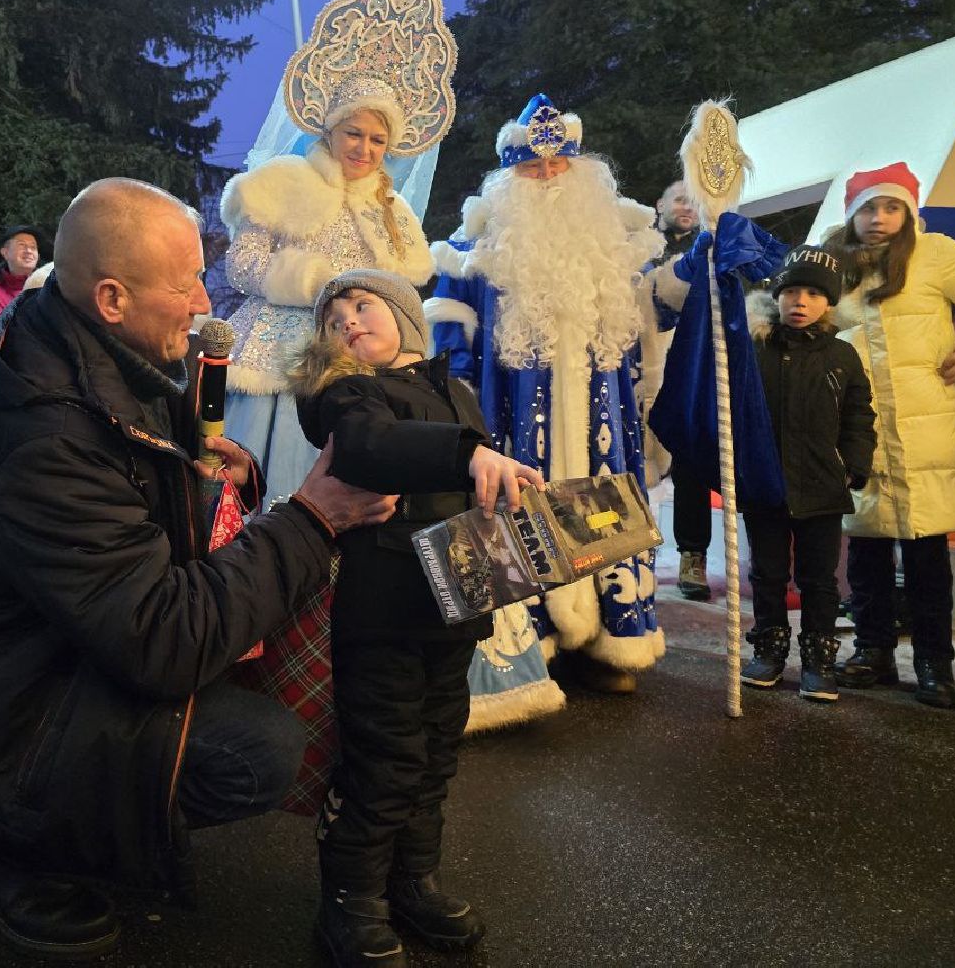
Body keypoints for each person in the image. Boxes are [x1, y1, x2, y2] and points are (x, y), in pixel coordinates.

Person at [0, 179, 398, 961]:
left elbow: (140, 534)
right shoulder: (50, 443)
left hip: (51, 667)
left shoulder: (93, 367)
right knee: (256, 750)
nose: (205, 302)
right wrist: (311, 521)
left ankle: (67, 826)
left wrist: (209, 483)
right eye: (187, 283)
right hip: (4, 727)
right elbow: (164, 635)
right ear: (111, 297)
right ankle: (3, 848)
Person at [289, 269, 541, 968]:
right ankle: (352, 900)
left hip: (453, 610)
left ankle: (413, 880)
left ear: (404, 314)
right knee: (384, 757)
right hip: (383, 612)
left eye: (362, 305)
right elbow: (371, 450)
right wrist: (468, 453)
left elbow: (475, 496)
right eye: (333, 316)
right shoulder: (348, 395)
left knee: (434, 750)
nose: (347, 320)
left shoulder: (454, 390)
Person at [427, 94, 666, 712]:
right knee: (515, 509)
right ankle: (533, 645)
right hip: (509, 418)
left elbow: (650, 322)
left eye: (558, 165)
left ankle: (614, 636)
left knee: (606, 504)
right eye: (531, 168)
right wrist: (462, 412)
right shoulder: (471, 251)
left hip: (602, 422)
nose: (546, 178)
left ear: (581, 169)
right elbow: (449, 339)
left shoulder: (616, 244)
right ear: (508, 177)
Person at [219, 0, 456, 499]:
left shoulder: (391, 208)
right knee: (269, 486)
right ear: (329, 130)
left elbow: (404, 284)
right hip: (277, 358)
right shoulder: (284, 182)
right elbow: (242, 264)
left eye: (378, 140)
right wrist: (310, 282)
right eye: (354, 134)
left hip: (356, 366)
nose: (365, 149)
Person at [827, 163, 955, 709]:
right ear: (852, 214)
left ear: (909, 212)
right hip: (856, 427)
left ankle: (934, 664)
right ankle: (872, 652)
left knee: (926, 554)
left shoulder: (935, 253)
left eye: (891, 207)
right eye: (868, 208)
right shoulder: (833, 260)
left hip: (926, 425)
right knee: (865, 550)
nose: (879, 219)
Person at [739, 246, 875, 701]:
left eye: (813, 294)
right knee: (768, 573)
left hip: (822, 484)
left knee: (819, 579)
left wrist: (855, 465)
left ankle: (819, 659)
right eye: (791, 291)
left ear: (829, 303)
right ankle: (770, 650)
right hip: (766, 485)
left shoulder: (842, 355)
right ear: (776, 296)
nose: (800, 301)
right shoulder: (755, 350)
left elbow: (859, 414)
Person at [637, 181, 713, 600]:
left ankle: (692, 556)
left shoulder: (710, 252)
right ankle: (627, 550)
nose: (688, 207)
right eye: (681, 199)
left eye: (696, 202)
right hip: (637, 371)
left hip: (685, 372)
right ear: (659, 203)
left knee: (690, 466)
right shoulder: (635, 247)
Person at [0, 223, 53, 330]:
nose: (29, 251)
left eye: (33, 247)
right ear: (5, 252)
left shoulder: (50, 284)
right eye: (22, 245)